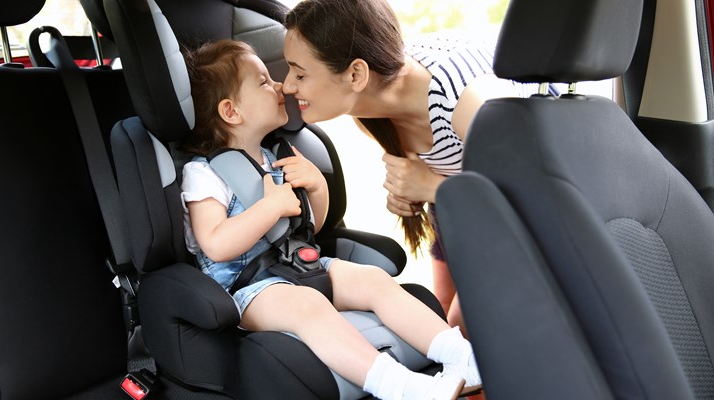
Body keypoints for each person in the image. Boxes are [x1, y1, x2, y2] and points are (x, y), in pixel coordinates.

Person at [179, 39, 481, 400]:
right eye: (263, 81)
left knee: (372, 280)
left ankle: (463, 357)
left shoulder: (277, 154)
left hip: (300, 266)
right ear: (231, 111)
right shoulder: (205, 175)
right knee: (309, 306)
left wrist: (317, 187)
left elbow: (310, 228)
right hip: (248, 291)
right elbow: (215, 243)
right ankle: (397, 385)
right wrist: (270, 207)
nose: (280, 86)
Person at [282, 0, 522, 333]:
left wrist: (433, 187)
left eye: (300, 73)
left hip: (520, 226)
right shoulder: (368, 109)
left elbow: (532, 198)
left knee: (460, 331)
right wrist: (411, 191)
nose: (287, 86)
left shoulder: (465, 101)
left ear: (356, 73)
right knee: (440, 314)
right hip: (467, 213)